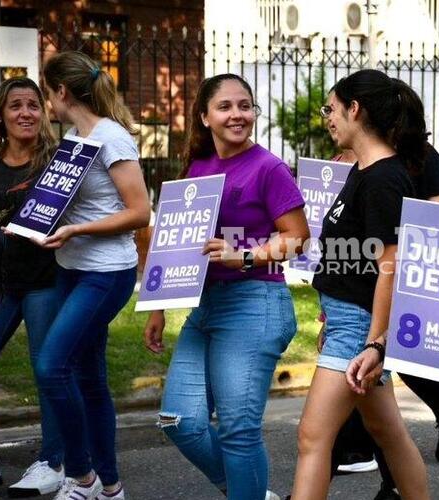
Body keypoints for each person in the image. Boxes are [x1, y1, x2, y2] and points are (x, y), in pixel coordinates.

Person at [143, 73, 308, 500]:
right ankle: (250, 492)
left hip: (255, 302)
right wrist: (158, 306)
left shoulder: (268, 167)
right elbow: (173, 240)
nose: (237, 114)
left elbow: (297, 236)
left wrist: (245, 254)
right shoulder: (198, 168)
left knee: (238, 431)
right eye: (225, 106)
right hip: (206, 307)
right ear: (204, 116)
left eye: (245, 105)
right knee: (180, 420)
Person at [290, 69, 430, 500]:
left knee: (313, 440)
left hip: (359, 329)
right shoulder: (365, 171)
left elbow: (391, 267)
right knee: (386, 432)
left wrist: (375, 343)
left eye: (330, 108)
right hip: (348, 322)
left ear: (355, 109)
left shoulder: (384, 178)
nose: (326, 118)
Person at [33, 51, 151, 500]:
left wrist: (76, 229)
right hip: (70, 268)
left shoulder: (112, 139)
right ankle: (111, 487)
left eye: (47, 94)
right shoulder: (74, 138)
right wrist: (30, 221)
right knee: (89, 378)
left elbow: (139, 212)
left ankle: (81, 476)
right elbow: (67, 202)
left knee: (50, 366)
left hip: (105, 273)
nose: (48, 103)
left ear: (61, 93)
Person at [325, 140, 439, 500]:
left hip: (399, 287)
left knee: (322, 430)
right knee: (378, 422)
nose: (330, 118)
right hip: (360, 295)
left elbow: (436, 219)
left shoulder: (415, 158)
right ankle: (391, 481)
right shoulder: (355, 161)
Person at [0, 77, 66, 497]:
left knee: (47, 370)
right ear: (1, 114)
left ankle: (53, 460)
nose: (25, 113)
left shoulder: (60, 162)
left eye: (33, 105)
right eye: (15, 105)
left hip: (44, 281)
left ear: (44, 112)